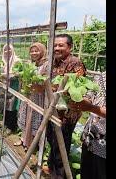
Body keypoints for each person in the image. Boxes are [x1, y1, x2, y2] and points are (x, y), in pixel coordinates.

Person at [44, 34, 87, 178]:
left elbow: (77, 90)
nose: (57, 48)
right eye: (55, 45)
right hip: (52, 109)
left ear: (70, 47)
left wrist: (58, 88)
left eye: (61, 45)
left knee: (61, 145)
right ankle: (51, 167)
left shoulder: (75, 63)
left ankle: (59, 175)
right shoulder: (53, 62)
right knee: (51, 139)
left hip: (66, 114)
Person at [68, 72, 106, 179]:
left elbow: (92, 107)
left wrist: (91, 108)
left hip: (103, 147)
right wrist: (80, 100)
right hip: (90, 138)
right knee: (86, 173)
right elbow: (90, 93)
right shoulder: (102, 76)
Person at [15, 42, 48, 149]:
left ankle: (32, 144)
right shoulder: (30, 64)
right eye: (32, 51)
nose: (34, 53)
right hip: (29, 95)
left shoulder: (46, 65)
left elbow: (46, 83)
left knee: (35, 118)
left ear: (42, 51)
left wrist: (36, 84)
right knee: (26, 117)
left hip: (38, 97)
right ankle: (24, 139)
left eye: (36, 51)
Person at [0, 43, 21, 133]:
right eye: (5, 50)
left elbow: (18, 75)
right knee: (4, 105)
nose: (7, 51)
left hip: (13, 87)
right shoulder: (3, 61)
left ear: (13, 50)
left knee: (12, 106)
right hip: (3, 87)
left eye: (9, 49)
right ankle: (5, 124)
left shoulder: (17, 61)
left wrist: (6, 76)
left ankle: (11, 127)